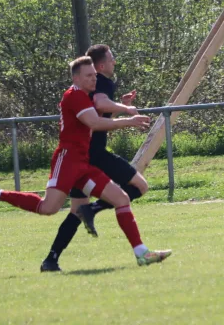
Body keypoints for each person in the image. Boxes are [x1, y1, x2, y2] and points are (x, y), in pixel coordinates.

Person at [0, 56, 171, 267]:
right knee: (48, 208)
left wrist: (123, 107)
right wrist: (129, 120)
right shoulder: (74, 96)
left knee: (121, 198)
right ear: (76, 78)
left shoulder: (85, 96)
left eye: (94, 74)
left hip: (83, 163)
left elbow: (99, 113)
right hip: (67, 160)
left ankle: (142, 253)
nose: (94, 79)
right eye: (89, 75)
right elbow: (94, 122)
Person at [40, 44, 151, 272]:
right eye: (111, 59)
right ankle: (96, 210)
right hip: (95, 155)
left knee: (76, 210)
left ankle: (51, 259)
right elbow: (99, 107)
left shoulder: (92, 84)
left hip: (84, 157)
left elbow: (98, 113)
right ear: (100, 65)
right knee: (139, 186)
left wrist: (120, 106)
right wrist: (128, 112)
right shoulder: (100, 81)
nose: (114, 63)